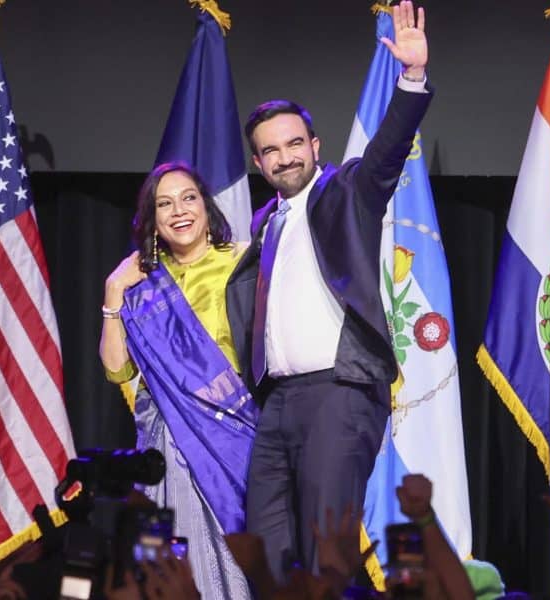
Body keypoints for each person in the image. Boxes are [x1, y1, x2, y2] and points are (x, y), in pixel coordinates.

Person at [224, 0, 433, 581]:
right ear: (259, 162)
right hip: (277, 402)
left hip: (339, 395)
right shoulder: (265, 223)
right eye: (270, 150)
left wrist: (411, 78)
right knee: (264, 551)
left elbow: (388, 152)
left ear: (314, 147)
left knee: (325, 551)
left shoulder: (347, 193)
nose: (284, 156)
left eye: (294, 144)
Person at [100, 161, 257, 600]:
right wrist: (113, 294)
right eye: (164, 204)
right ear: (152, 219)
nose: (179, 211)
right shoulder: (141, 282)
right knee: (166, 555)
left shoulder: (244, 262)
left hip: (230, 436)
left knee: (230, 550)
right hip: (163, 437)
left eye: (188, 198)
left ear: (206, 207)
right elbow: (117, 369)